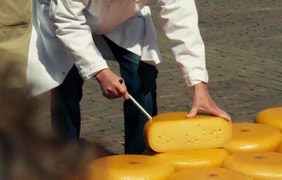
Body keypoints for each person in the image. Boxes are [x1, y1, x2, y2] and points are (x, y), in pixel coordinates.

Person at [27, 0, 231, 154]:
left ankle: (139, 157)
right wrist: (100, 72)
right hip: (64, 17)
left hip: (125, 18)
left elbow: (181, 18)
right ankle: (66, 157)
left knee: (142, 76)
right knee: (66, 84)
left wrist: (199, 84)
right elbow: (67, 21)